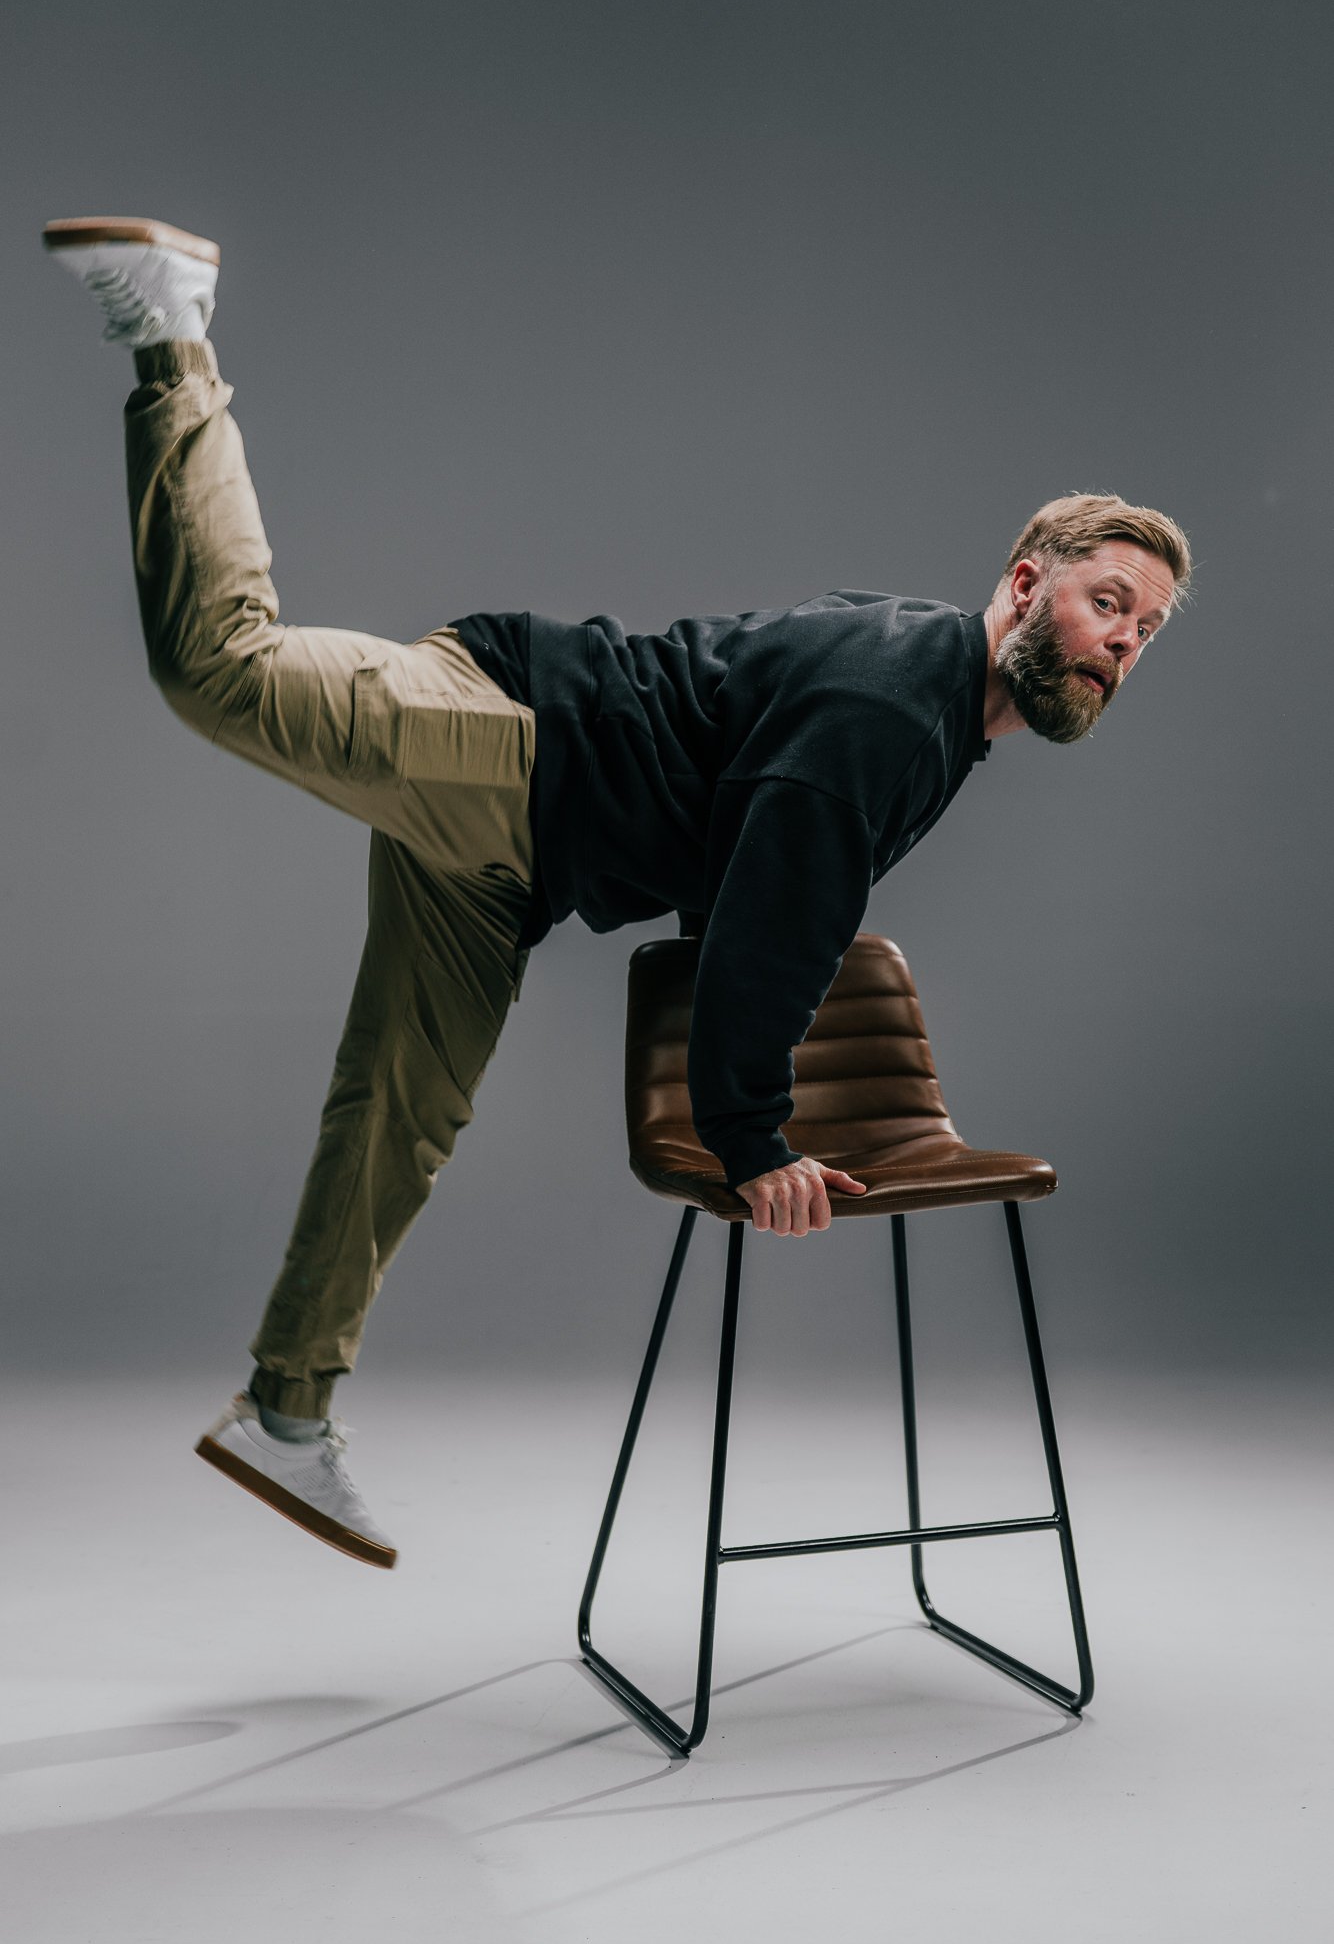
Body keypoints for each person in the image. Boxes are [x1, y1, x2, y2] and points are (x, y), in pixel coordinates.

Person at [44, 214, 1191, 1571]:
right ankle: (170, 327)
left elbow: (746, 833)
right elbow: (779, 909)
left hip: (521, 856)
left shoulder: (927, 695)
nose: (1121, 644)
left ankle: (285, 1412)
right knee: (220, 667)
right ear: (1025, 585)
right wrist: (750, 1140)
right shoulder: (902, 706)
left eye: (1143, 632)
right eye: (1106, 603)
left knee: (398, 1110)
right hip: (515, 742)